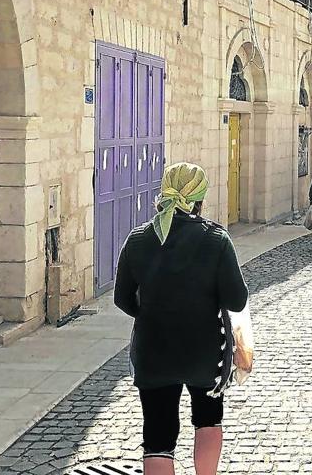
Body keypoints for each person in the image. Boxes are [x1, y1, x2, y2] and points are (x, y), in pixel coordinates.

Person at [114, 163, 249, 475]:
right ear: (200, 200)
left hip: (154, 350)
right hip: (206, 351)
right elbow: (237, 299)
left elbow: (122, 298)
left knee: (158, 436)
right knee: (208, 418)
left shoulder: (138, 239)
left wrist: (151, 312)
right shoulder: (216, 240)